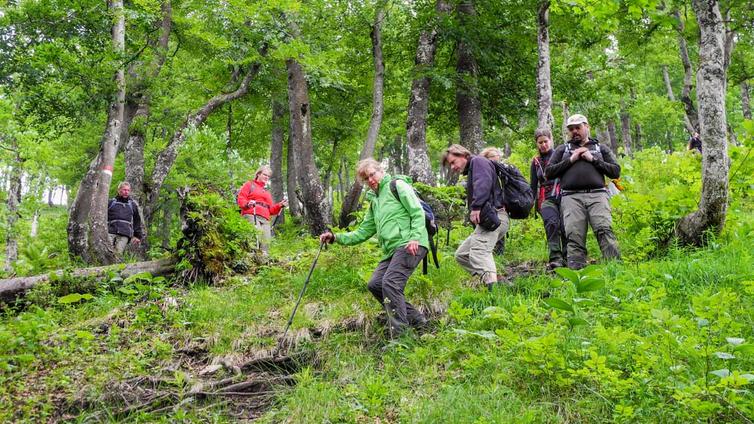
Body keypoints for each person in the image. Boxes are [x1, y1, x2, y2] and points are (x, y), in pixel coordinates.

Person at [319, 158, 429, 337]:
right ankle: (417, 321)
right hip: (392, 249)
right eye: (366, 178)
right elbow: (362, 232)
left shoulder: (397, 186)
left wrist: (414, 237)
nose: (371, 180)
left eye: (372, 174)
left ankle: (401, 336)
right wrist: (335, 237)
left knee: (391, 283)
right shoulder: (375, 201)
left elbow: (417, 212)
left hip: (411, 243)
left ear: (381, 171)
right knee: (376, 284)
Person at [545, 114, 621, 270]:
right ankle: (577, 275)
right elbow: (549, 172)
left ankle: (616, 270)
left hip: (598, 195)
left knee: (604, 229)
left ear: (587, 127)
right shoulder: (562, 150)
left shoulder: (600, 148)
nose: (574, 131)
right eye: (571, 129)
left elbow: (615, 171)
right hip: (571, 198)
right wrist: (571, 159)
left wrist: (593, 159)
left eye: (578, 127)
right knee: (574, 235)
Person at [442, 144, 508, 291]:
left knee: (480, 252)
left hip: (495, 216)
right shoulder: (474, 167)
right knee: (462, 254)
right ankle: (496, 281)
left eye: (453, 162)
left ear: (464, 155)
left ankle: (494, 294)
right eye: (450, 165)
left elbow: (483, 183)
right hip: (491, 218)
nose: (452, 167)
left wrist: (476, 207)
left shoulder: (478, 161)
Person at [530, 128, 567, 269]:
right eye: (540, 142)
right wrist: (530, 203)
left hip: (563, 194)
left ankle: (568, 256)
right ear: (536, 144)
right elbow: (533, 185)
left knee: (565, 225)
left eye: (545, 141)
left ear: (550, 141)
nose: (543, 145)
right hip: (546, 198)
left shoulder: (560, 155)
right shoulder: (535, 162)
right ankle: (555, 258)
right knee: (551, 224)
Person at [237, 165, 287, 255]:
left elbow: (271, 210)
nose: (266, 177)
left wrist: (280, 205)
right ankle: (251, 257)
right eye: (265, 175)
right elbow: (241, 198)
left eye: (268, 176)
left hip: (265, 218)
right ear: (258, 174)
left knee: (266, 241)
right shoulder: (250, 184)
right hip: (252, 213)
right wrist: (247, 203)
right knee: (256, 237)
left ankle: (264, 263)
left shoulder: (266, 192)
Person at [480, 147, 506, 257]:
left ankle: (499, 256)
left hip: (500, 206)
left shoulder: (502, 172)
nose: (496, 160)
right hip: (487, 207)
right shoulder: (482, 172)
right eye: (492, 157)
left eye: (497, 157)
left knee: (499, 231)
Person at [107, 181, 144, 256]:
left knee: (118, 254)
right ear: (119, 190)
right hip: (110, 231)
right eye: (124, 190)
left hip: (124, 233)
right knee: (107, 253)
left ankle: (116, 267)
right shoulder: (111, 202)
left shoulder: (132, 204)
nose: (126, 192)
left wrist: (137, 236)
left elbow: (137, 221)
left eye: (128, 190)